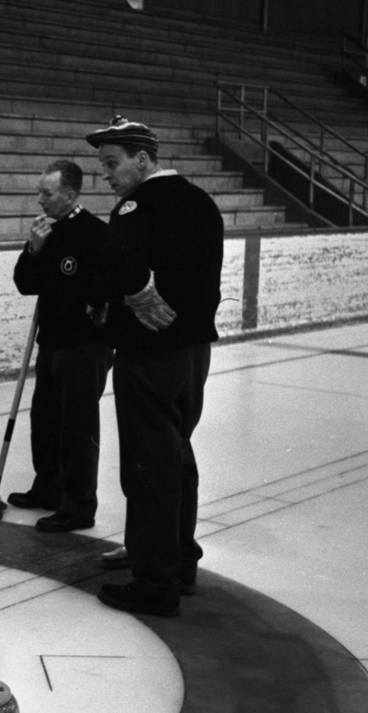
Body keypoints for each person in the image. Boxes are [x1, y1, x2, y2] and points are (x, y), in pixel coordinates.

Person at [84, 116, 224, 617]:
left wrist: (135, 292)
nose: (106, 174)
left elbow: (117, 257)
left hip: (150, 354)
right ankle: (180, 563)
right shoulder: (201, 201)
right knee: (177, 458)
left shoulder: (138, 204)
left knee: (149, 469)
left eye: (112, 162)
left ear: (142, 160)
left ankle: (154, 582)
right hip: (194, 353)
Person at [11, 159, 113, 533]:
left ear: (70, 195)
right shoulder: (46, 232)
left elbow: (108, 288)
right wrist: (34, 249)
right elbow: (25, 283)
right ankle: (48, 489)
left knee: (77, 428)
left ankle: (79, 505)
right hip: (52, 343)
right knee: (45, 421)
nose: (40, 199)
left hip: (85, 347)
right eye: (40, 191)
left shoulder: (97, 234)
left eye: (47, 193)